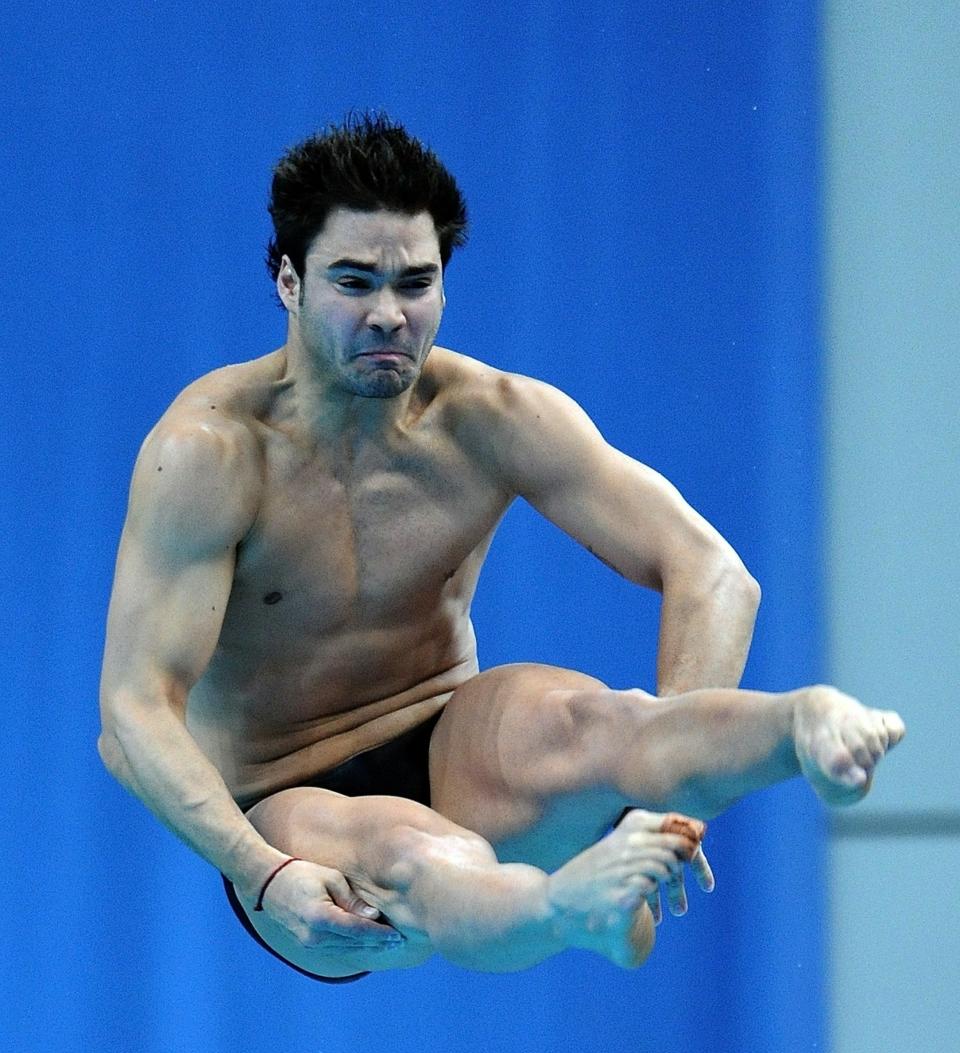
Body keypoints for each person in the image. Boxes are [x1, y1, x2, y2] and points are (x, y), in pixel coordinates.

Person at [98, 114, 904, 982]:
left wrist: (660, 814)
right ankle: (568, 908)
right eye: (353, 281)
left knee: (601, 721)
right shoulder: (211, 454)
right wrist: (263, 873)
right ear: (289, 282)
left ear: (445, 287)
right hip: (284, 800)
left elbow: (712, 573)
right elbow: (131, 714)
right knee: (413, 850)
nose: (387, 315)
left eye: (415, 284)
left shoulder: (492, 419)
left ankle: (801, 723)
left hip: (454, 732)